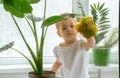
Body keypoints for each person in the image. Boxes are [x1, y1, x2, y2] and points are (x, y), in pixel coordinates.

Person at [51, 13, 95, 78]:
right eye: (64, 28)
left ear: (77, 28)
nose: (69, 29)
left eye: (72, 26)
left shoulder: (81, 44)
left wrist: (87, 33)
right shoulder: (58, 49)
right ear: (59, 33)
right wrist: (50, 74)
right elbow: (58, 63)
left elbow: (91, 44)